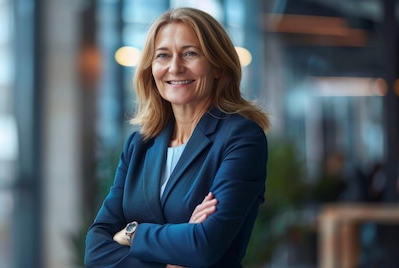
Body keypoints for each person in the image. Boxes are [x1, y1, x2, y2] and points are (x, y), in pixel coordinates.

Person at [85, 7, 269, 268]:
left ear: (217, 66)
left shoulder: (241, 138)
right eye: (163, 55)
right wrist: (173, 259)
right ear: (151, 68)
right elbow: (95, 251)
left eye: (190, 53)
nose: (175, 67)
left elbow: (203, 246)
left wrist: (131, 233)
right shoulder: (139, 145)